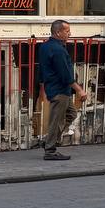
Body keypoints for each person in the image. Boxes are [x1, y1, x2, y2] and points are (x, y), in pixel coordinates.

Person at [37, 20, 86, 160]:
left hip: (55, 88)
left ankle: (49, 141)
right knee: (56, 121)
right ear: (58, 32)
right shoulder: (58, 50)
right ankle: (50, 151)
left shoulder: (45, 46)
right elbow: (65, 75)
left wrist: (43, 86)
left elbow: (41, 69)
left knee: (71, 114)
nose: (70, 34)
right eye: (67, 31)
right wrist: (80, 90)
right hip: (59, 89)